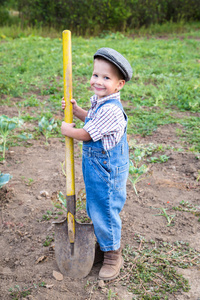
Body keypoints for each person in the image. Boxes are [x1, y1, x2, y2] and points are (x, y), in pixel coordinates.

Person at [61, 47, 132, 281]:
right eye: (95, 75)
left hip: (107, 171)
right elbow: (92, 121)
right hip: (97, 169)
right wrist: (77, 111)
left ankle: (113, 255)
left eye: (106, 78)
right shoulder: (101, 102)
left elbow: (88, 134)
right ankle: (104, 245)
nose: (98, 81)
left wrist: (69, 131)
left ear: (119, 84)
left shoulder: (111, 109)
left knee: (105, 210)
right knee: (95, 208)